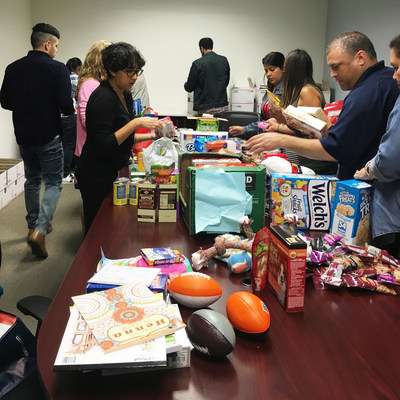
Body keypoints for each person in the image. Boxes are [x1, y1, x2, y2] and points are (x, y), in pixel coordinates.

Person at [246, 31, 399, 180]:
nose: (332, 74)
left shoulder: (366, 93)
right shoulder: (386, 79)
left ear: (360, 58)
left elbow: (336, 149)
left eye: (336, 66)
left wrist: (280, 140)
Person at [0, 23, 74, 259]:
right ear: (47, 44)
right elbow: (65, 105)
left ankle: (33, 225)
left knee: (31, 181)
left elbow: (5, 102)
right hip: (49, 136)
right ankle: (40, 230)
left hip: (23, 136)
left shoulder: (12, 68)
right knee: (53, 183)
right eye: (56, 46)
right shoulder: (57, 69)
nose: (56, 50)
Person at [75, 42, 163, 234]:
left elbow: (123, 138)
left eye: (137, 71)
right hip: (95, 174)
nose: (135, 77)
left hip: (111, 171)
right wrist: (136, 123)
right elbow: (103, 144)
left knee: (112, 227)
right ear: (113, 70)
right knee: (96, 230)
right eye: (129, 72)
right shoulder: (102, 98)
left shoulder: (125, 95)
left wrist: (151, 135)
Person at [354, 34, 400, 258]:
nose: (395, 75)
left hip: (394, 218)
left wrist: (368, 170)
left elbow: (390, 159)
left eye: (399, 67)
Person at [229, 51, 285, 139]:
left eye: (272, 69)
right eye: (266, 71)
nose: (268, 74)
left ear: (283, 68)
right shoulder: (269, 90)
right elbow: (264, 122)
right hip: (266, 138)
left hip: (280, 140)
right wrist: (245, 129)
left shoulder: (288, 92)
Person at [74, 40, 111, 163]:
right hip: (90, 155)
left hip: (97, 152)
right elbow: (88, 122)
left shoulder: (97, 83)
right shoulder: (89, 85)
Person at [184, 37, 230, 115]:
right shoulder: (224, 60)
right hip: (222, 106)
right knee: (221, 127)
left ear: (201, 48)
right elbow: (226, 82)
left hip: (205, 108)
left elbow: (189, 87)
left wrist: (186, 85)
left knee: (206, 127)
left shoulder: (197, 63)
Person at [61, 57, 82, 183]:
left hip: (61, 116)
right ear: (78, 67)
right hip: (72, 114)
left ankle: (62, 172)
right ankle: (65, 174)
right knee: (69, 146)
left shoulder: (63, 77)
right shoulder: (76, 79)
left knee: (63, 145)